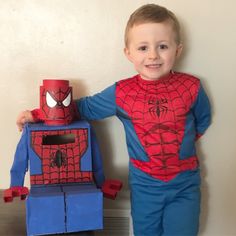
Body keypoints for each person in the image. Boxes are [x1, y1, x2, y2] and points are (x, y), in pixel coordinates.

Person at [16, 4, 211, 236]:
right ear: (128, 53)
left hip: (185, 184)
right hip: (145, 185)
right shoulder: (122, 92)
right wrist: (38, 113)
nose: (153, 55)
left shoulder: (192, 87)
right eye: (142, 47)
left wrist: (184, 143)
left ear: (177, 50)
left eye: (163, 46)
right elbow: (83, 107)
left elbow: (203, 119)